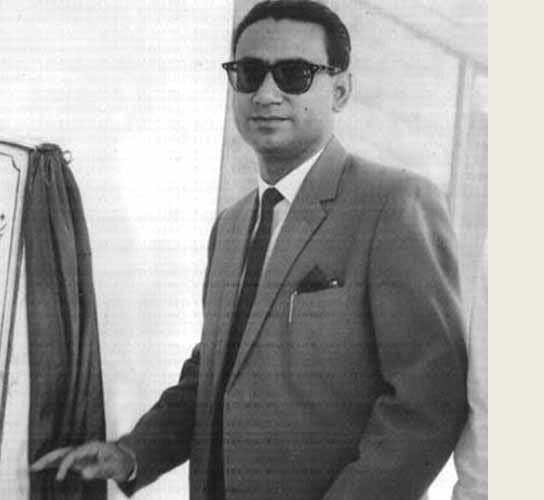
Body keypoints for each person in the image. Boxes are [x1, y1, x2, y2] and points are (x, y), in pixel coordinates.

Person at [31, 1, 469, 499]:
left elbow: (429, 400)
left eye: (294, 74)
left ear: (340, 90)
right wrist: (134, 453)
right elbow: (217, 373)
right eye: (250, 73)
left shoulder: (392, 203)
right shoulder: (232, 225)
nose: (265, 93)